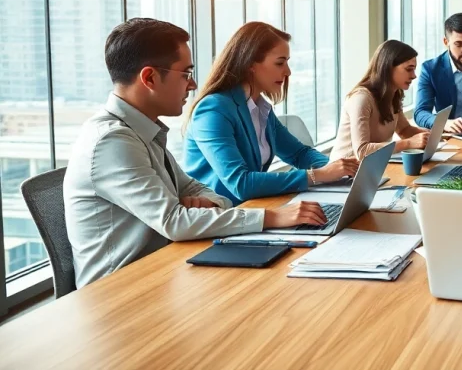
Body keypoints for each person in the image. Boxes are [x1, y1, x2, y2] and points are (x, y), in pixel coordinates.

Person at [64, 19, 328, 288]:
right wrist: (274, 217)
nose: (192, 85)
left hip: (166, 270)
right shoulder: (112, 141)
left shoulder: (143, 131)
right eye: (185, 74)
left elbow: (197, 190)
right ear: (149, 78)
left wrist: (210, 203)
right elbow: (174, 221)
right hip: (121, 291)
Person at [183, 22, 357, 206]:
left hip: (251, 209)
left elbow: (299, 154)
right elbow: (241, 183)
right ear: (250, 64)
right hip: (221, 214)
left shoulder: (260, 107)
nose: (288, 71)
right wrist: (318, 175)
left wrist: (343, 168)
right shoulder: (213, 110)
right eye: (280, 63)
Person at [330, 40, 431, 161]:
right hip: (346, 170)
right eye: (409, 69)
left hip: (373, 166)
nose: (414, 75)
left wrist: (432, 135)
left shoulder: (393, 95)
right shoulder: (361, 98)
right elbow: (362, 151)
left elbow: (404, 130)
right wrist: (409, 143)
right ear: (388, 68)